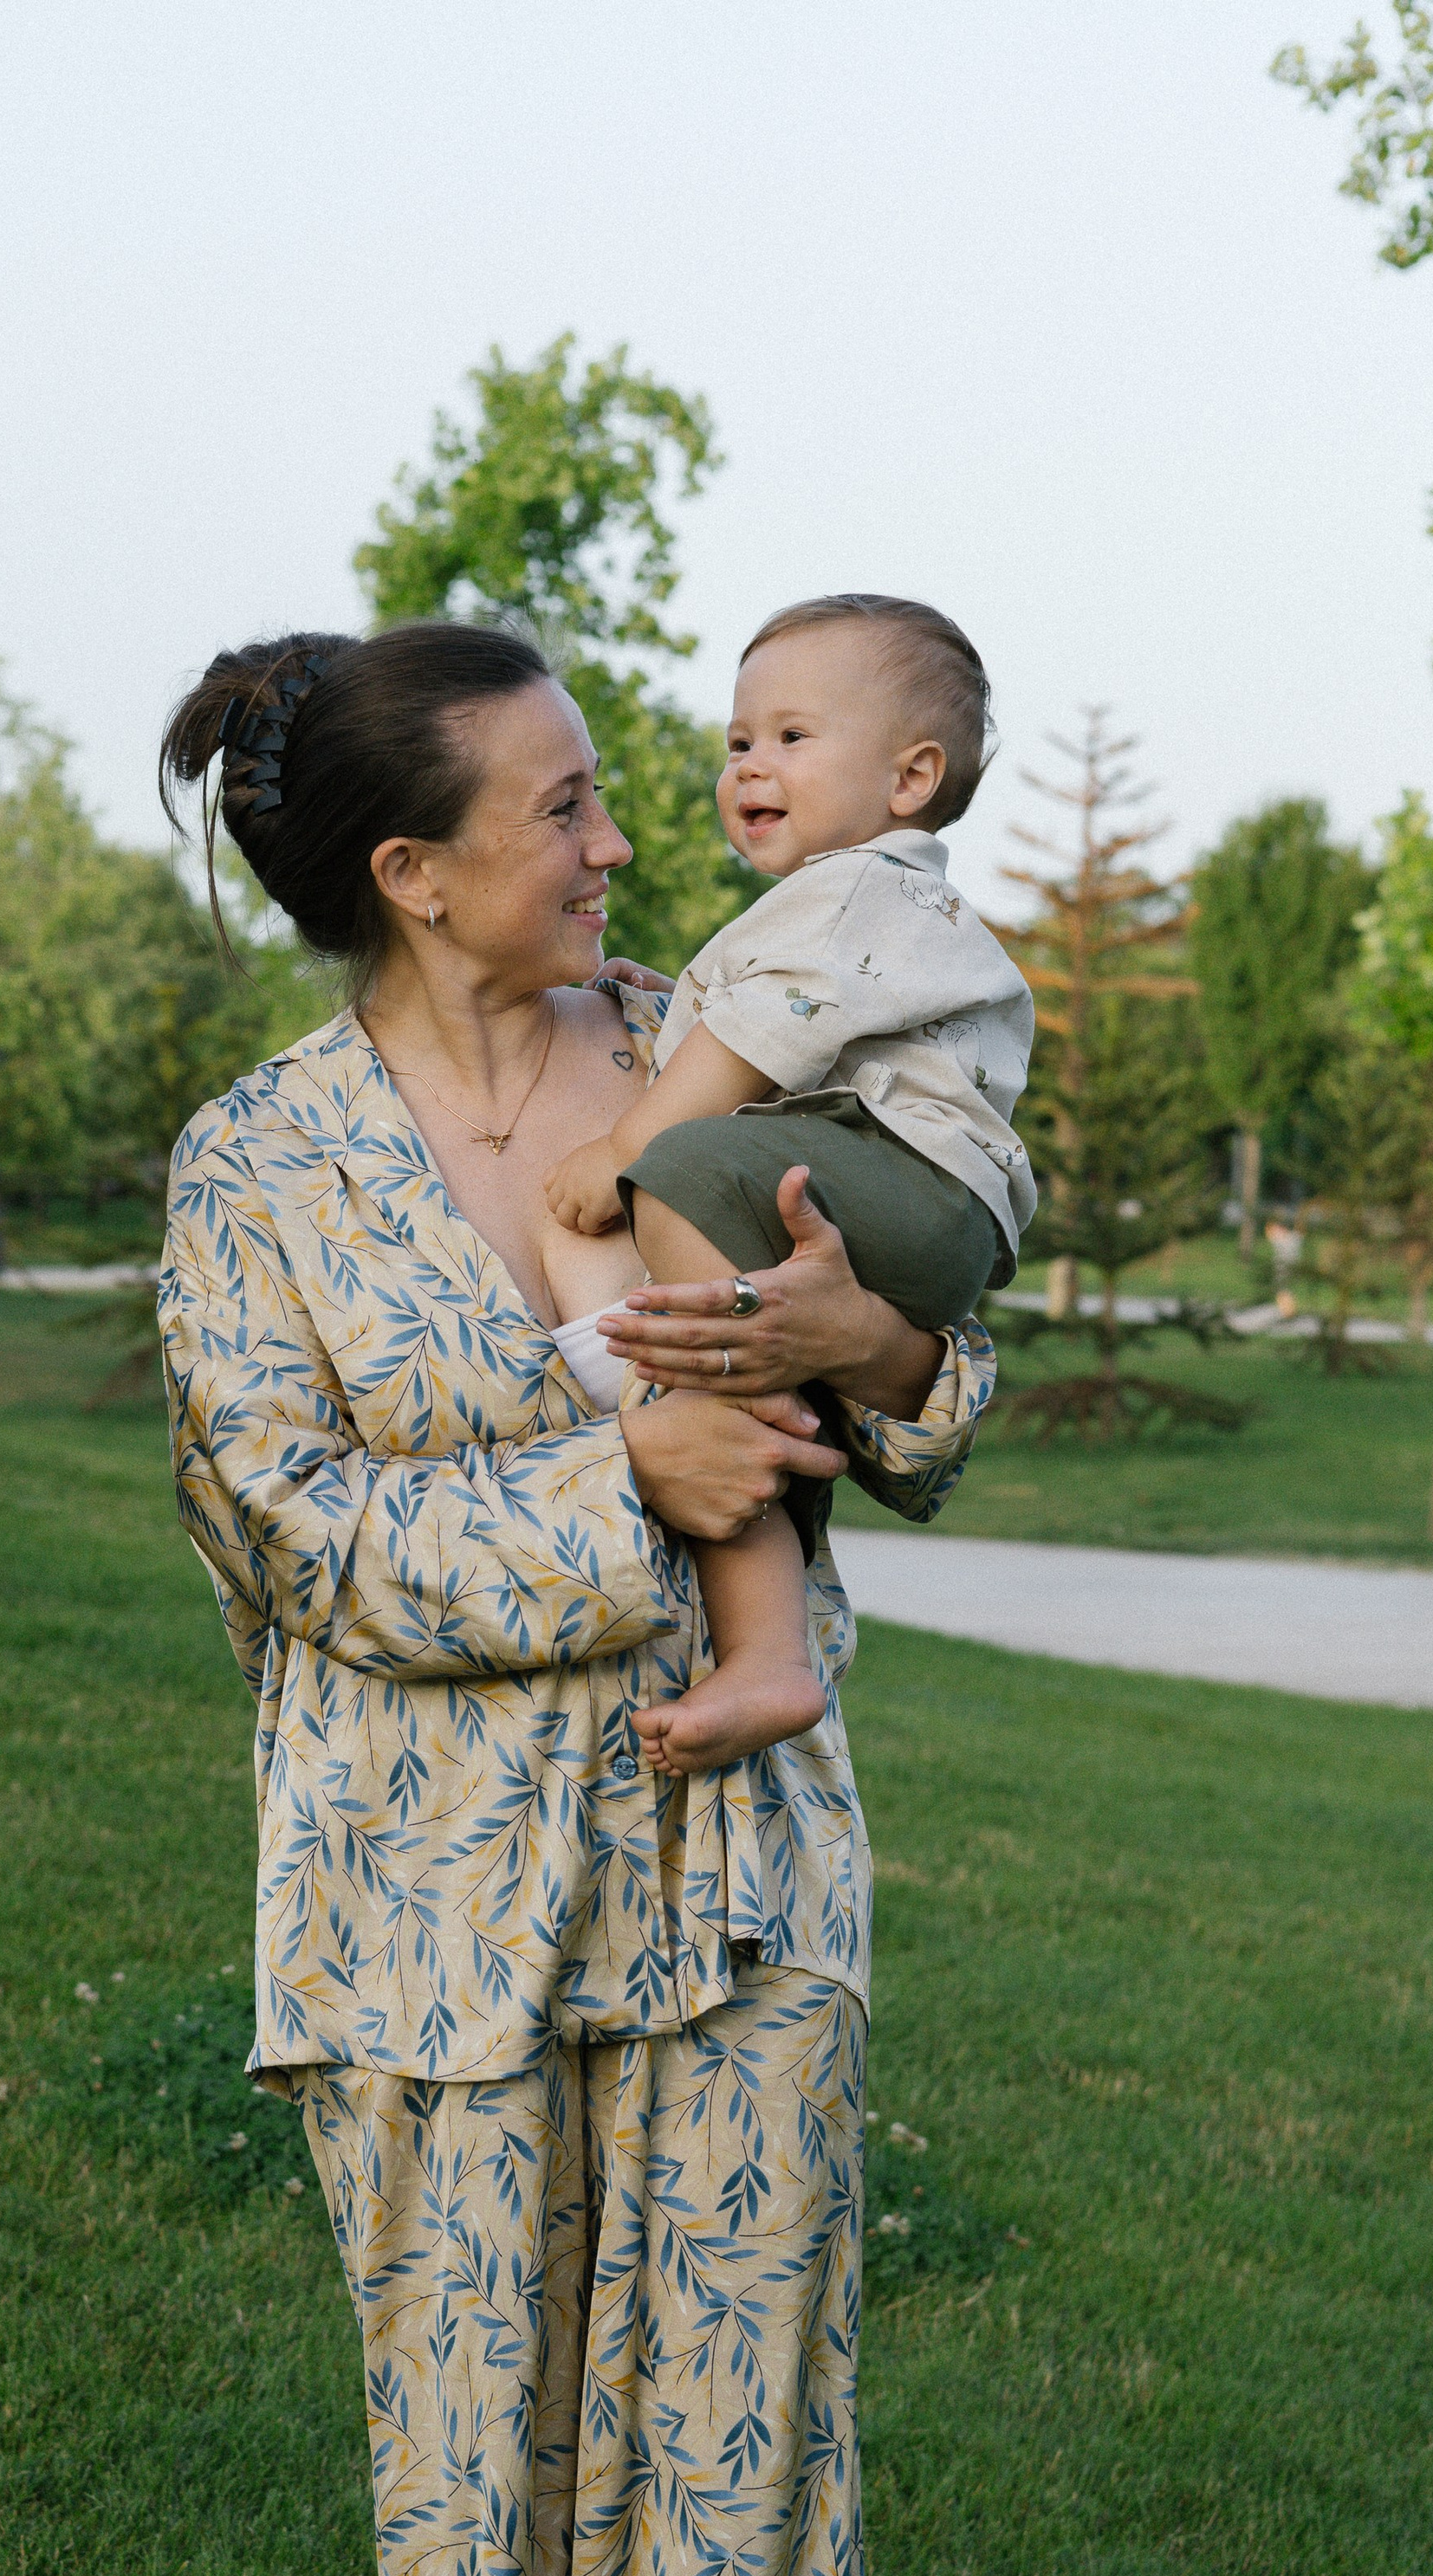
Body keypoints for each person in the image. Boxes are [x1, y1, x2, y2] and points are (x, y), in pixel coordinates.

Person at [155, 620, 995, 2576]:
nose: (620, 840)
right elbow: (290, 1535)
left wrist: (872, 1345)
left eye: (617, 793)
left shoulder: (740, 1031)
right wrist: (617, 1488)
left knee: (739, 2449)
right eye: (559, 810)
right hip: (422, 1917)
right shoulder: (259, 1168)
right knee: (471, 2469)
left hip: (739, 1878)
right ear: (415, 877)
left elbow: (941, 1374)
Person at [544, 594, 1035, 1773]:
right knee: (700, 1166)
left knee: (679, 1172)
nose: (750, 766)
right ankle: (726, 1428)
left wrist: (621, 1148)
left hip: (904, 1191)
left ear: (911, 776)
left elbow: (757, 1046)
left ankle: (720, 1455)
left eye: (792, 738)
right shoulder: (860, 902)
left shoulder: (855, 889)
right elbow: (771, 1016)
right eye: (739, 742)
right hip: (915, 1203)